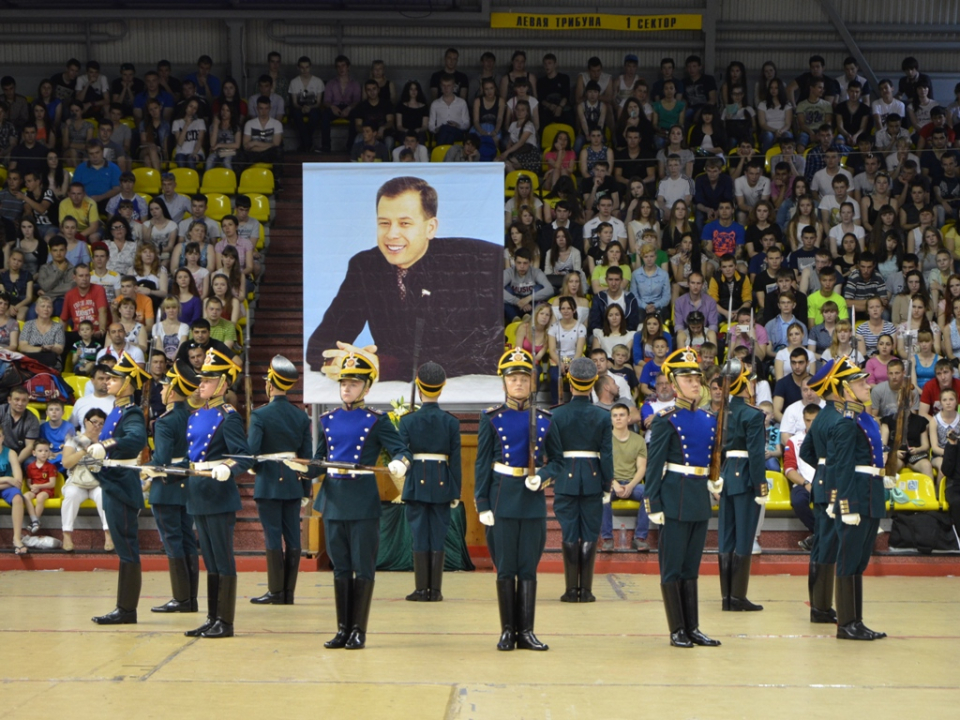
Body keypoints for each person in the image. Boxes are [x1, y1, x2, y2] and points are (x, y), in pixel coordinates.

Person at [306, 176, 502, 381]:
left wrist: (386, 366)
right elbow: (320, 345)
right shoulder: (365, 267)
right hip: (393, 394)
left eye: (404, 223)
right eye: (384, 223)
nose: (391, 234)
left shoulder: (467, 264)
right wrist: (338, 362)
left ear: (430, 228)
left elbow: (457, 354)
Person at [298, 347, 409, 650]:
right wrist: (301, 469)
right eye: (344, 384)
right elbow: (319, 462)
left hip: (361, 501)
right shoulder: (328, 420)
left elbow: (402, 450)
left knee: (364, 566)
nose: (347, 388)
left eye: (354, 383)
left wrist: (400, 462)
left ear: (367, 387)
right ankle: (342, 629)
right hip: (333, 500)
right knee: (341, 567)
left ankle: (359, 629)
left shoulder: (377, 420)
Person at [475, 348, 557, 651]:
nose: (519, 383)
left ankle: (527, 631)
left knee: (528, 569)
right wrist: (481, 503)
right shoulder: (491, 418)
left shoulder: (546, 419)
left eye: (524, 378)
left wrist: (545, 475)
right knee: (506, 568)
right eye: (513, 378)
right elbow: (482, 463)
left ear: (532, 382)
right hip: (501, 499)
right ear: (504, 383)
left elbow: (558, 461)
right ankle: (508, 631)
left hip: (532, 500)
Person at [644, 348, 721, 648]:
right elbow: (654, 464)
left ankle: (693, 627)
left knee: (691, 567)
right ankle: (677, 629)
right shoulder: (666, 419)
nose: (693, 384)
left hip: (698, 497)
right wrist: (653, 503)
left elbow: (713, 457)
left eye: (696, 379)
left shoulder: (708, 418)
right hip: (674, 497)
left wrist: (716, 480)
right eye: (687, 379)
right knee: (673, 567)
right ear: (674, 384)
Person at [181, 349, 253, 640]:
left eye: (209, 380)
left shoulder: (229, 417)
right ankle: (212, 618)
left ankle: (226, 621)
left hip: (218, 491)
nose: (202, 384)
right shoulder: (197, 414)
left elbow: (245, 457)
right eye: (201, 379)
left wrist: (227, 467)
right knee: (209, 559)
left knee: (223, 559)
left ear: (223, 384)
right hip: (198, 490)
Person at [827, 357, 889, 641]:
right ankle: (845, 624)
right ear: (846, 389)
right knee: (848, 560)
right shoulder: (846, 423)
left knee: (859, 561)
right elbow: (842, 467)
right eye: (860, 383)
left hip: (870, 491)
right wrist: (846, 505)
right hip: (856, 496)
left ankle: (856, 621)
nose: (867, 385)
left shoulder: (865, 418)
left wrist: (882, 476)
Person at [86, 353, 149, 626]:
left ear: (128, 384)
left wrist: (106, 446)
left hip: (122, 484)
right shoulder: (116, 409)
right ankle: (123, 607)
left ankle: (126, 609)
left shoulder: (131, 411)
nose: (109, 381)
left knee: (127, 548)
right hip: (113, 481)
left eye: (115, 378)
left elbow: (135, 438)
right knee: (124, 547)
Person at [545, 357, 613, 604]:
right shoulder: (603, 416)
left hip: (566, 477)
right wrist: (607, 484)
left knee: (570, 533)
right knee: (590, 534)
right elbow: (606, 454)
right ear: (594, 381)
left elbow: (551, 453)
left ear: (570, 382)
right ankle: (586, 591)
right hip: (594, 477)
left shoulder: (556, 414)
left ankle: (570, 589)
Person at [246, 355, 313, 606]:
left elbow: (252, 451)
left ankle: (275, 591)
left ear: (270, 384)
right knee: (293, 537)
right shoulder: (300, 417)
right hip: (293, 484)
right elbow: (306, 458)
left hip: (269, 482)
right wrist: (305, 488)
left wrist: (253, 467)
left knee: (273, 536)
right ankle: (288, 592)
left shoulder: (260, 415)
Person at [397, 362, 462, 602]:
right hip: (443, 482)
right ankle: (435, 590)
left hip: (416, 482)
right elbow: (455, 461)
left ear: (419, 388)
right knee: (438, 536)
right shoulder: (451, 422)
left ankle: (421, 589)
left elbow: (401, 452)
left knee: (419, 535)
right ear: (441, 389)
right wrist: (456, 491)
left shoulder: (407, 421)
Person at [147, 360, 201, 615]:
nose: (161, 390)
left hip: (167, 487)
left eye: (165, 386)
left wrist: (147, 469)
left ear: (174, 390)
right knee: (187, 539)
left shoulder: (166, 421)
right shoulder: (191, 416)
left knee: (172, 541)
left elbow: (162, 460)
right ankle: (190, 597)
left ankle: (181, 599)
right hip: (186, 486)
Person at [716, 361, 769, 612]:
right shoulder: (753, 414)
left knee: (726, 538)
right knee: (745, 538)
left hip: (727, 475)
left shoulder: (721, 412)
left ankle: (727, 596)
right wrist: (761, 486)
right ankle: (738, 597)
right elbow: (757, 455)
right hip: (746, 476)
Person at [0, 424, 27, 556]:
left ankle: (16, 538)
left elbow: (18, 481)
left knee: (17, 498)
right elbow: (12, 480)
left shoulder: (11, 453)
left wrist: (9, 482)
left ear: (3, 437)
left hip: (7, 488)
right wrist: (7, 479)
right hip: (7, 484)